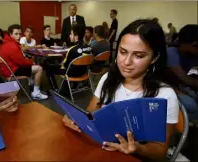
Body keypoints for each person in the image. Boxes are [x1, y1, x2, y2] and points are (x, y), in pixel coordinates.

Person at [63, 19, 179, 161]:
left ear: (154, 58)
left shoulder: (164, 95)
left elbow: (160, 152)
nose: (126, 62)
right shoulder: (108, 78)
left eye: (139, 55)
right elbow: (91, 116)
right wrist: (75, 120)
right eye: (123, 52)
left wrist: (137, 148)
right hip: (103, 152)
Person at [0, 24, 48, 100]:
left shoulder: (7, 43)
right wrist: (32, 63)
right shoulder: (12, 46)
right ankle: (36, 93)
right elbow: (22, 62)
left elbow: (20, 60)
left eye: (19, 34)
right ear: (10, 34)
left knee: (32, 66)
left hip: (7, 69)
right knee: (39, 68)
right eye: (16, 34)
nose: (18, 36)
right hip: (12, 71)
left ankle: (31, 83)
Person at [45, 24, 92, 91]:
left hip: (72, 73)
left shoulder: (71, 50)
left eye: (71, 34)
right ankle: (73, 86)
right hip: (84, 72)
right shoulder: (89, 48)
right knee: (73, 66)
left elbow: (65, 65)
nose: (70, 36)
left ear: (76, 37)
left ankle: (55, 89)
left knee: (48, 67)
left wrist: (60, 63)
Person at [167, 24, 198, 120]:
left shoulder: (189, 55)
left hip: (181, 86)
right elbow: (185, 79)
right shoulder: (171, 53)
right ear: (194, 43)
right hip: (169, 86)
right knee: (192, 105)